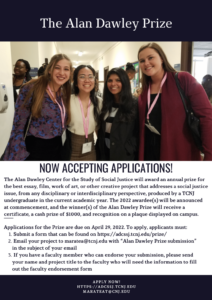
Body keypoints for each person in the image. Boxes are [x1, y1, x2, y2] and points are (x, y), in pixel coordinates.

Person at [137, 42, 212, 161]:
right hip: (149, 153)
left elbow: (207, 117)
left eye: (150, 57)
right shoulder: (144, 91)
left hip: (179, 153)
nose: (146, 63)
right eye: (142, 60)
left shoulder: (183, 80)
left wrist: (209, 156)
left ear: (162, 58)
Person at [2, 54, 72, 161]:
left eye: (66, 69)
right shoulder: (31, 89)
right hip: (35, 149)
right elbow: (18, 124)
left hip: (57, 147)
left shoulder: (63, 94)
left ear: (70, 73)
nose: (62, 73)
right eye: (57, 67)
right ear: (49, 70)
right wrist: (17, 153)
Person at [96, 68, 138, 161]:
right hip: (104, 153)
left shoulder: (135, 105)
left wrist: (130, 148)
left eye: (118, 80)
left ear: (125, 82)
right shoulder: (106, 104)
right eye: (110, 80)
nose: (113, 84)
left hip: (124, 156)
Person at [67, 65, 102, 161]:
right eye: (82, 76)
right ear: (75, 82)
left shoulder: (100, 102)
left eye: (90, 76)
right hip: (70, 150)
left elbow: (99, 129)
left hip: (90, 150)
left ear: (95, 80)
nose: (87, 80)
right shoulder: (67, 101)